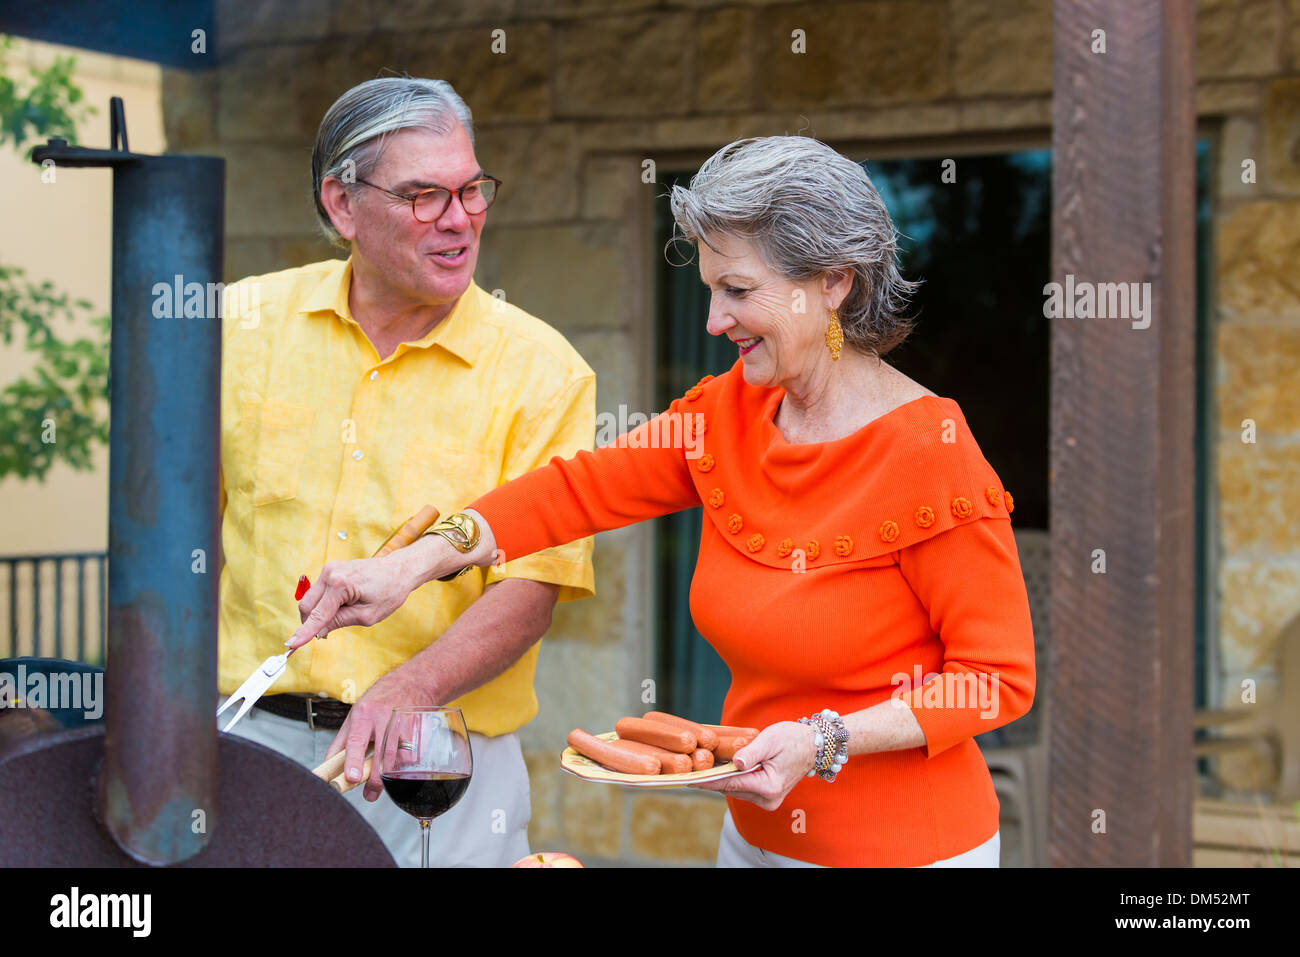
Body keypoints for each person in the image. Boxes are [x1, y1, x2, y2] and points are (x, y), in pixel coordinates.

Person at [290, 135, 1036, 868]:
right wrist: (413, 564)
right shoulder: (729, 413)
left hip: (910, 852)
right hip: (752, 841)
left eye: (738, 291)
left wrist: (821, 740)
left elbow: (997, 680)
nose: (714, 320)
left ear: (833, 283)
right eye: (710, 290)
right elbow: (573, 490)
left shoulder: (931, 450)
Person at [218, 77, 596, 867]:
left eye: (469, 189)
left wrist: (412, 687)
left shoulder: (545, 372)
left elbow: (530, 590)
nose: (459, 219)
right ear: (342, 204)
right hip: (245, 748)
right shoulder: (240, 325)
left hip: (440, 764)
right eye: (423, 195)